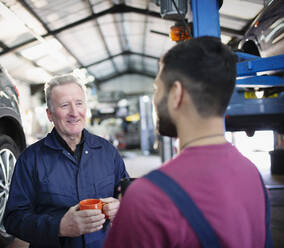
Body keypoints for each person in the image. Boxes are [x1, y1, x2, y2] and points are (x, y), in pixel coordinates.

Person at [104, 36, 271, 247]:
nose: (155, 99)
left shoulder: (147, 198)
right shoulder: (252, 175)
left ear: (176, 93)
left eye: (157, 89)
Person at [4, 74, 128, 248]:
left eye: (79, 103)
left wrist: (121, 208)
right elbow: (13, 219)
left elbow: (127, 198)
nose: (74, 113)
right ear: (50, 114)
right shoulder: (30, 159)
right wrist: (59, 226)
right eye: (64, 105)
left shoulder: (108, 152)